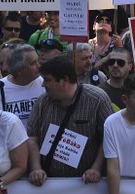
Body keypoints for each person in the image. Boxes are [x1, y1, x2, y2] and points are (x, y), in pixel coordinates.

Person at [27, 55, 113, 185]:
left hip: (86, 184)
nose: (43, 84)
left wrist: (96, 169)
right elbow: (32, 138)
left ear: (64, 80)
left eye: (47, 79)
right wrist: (36, 169)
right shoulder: (42, 101)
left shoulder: (97, 99)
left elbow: (107, 138)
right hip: (47, 183)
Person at [0, 43, 43, 123]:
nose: (39, 66)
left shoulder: (43, 83)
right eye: (33, 63)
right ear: (19, 70)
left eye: (37, 61)